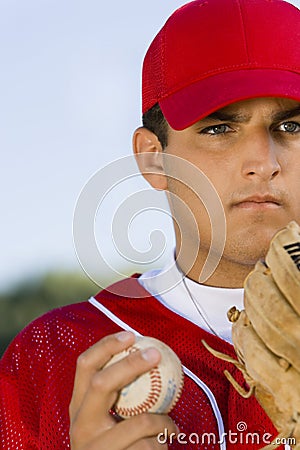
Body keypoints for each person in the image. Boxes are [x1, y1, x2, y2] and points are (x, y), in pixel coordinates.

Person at [1, 0, 300, 449]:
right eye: (219, 129)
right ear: (153, 157)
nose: (264, 162)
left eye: (292, 126)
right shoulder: (51, 354)